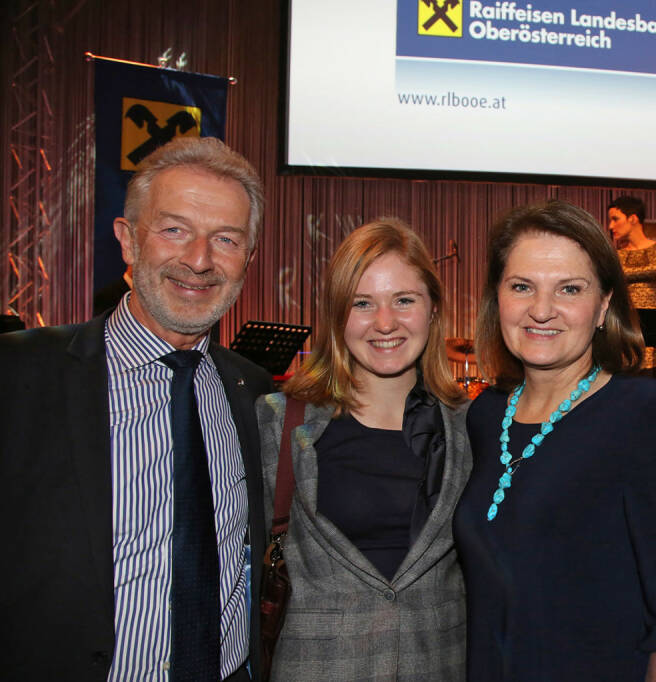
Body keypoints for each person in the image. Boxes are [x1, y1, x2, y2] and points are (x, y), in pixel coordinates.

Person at [0, 136, 274, 680]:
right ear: (127, 241)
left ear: (248, 258)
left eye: (225, 238)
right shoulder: (18, 378)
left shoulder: (254, 391)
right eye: (174, 230)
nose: (199, 260)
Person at [455, 199, 656, 680]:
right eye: (522, 287)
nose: (542, 309)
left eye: (569, 289)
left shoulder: (641, 414)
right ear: (498, 297)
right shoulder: (485, 416)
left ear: (603, 306)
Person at [256, 218, 471, 680]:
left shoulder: (473, 429)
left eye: (404, 300)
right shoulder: (279, 421)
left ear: (433, 309)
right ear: (337, 316)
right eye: (363, 303)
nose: (386, 323)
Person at [609, 196, 656, 381]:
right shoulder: (615, 256)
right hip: (628, 330)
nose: (610, 226)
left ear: (633, 218)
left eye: (615, 219)